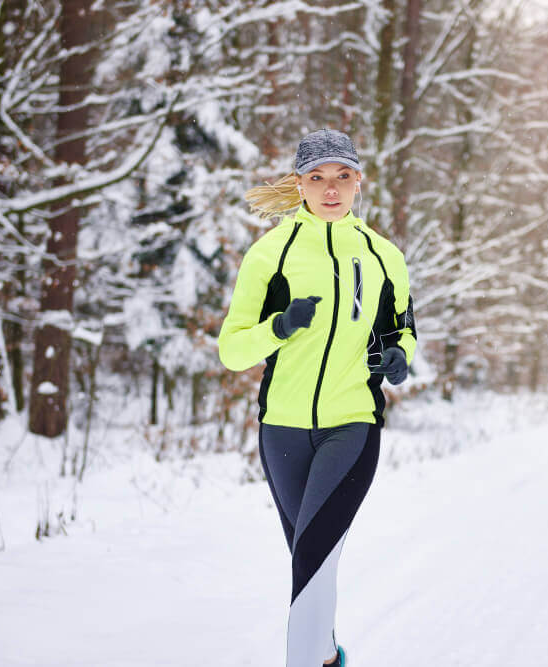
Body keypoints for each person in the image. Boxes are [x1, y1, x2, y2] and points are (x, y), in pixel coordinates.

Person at [218, 129, 417, 667]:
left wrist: (399, 357)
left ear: (358, 182)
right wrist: (278, 327)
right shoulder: (271, 253)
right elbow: (232, 349)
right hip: (281, 429)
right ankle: (326, 655)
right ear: (300, 185)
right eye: (318, 178)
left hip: (352, 424)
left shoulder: (384, 257)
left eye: (342, 177)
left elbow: (402, 331)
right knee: (309, 562)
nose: (331, 189)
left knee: (313, 554)